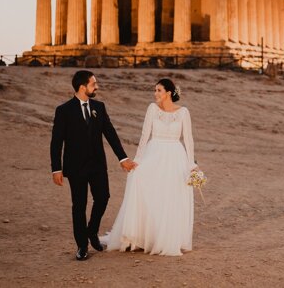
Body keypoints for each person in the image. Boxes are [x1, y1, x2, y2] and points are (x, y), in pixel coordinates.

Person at [103, 78, 197, 256]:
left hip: (175, 156)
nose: (155, 94)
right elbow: (144, 135)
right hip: (154, 154)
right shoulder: (152, 109)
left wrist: (191, 165)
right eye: (155, 90)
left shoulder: (184, 112)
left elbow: (189, 139)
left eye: (159, 90)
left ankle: (165, 239)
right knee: (146, 186)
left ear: (168, 93)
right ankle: (142, 237)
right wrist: (137, 161)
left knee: (170, 197)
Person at [50, 70, 137, 261]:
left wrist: (122, 158)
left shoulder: (99, 106)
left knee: (103, 197)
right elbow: (56, 142)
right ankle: (82, 246)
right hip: (75, 167)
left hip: (97, 164)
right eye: (93, 84)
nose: (96, 87)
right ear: (83, 87)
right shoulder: (64, 110)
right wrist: (56, 168)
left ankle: (92, 231)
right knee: (79, 206)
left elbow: (110, 134)